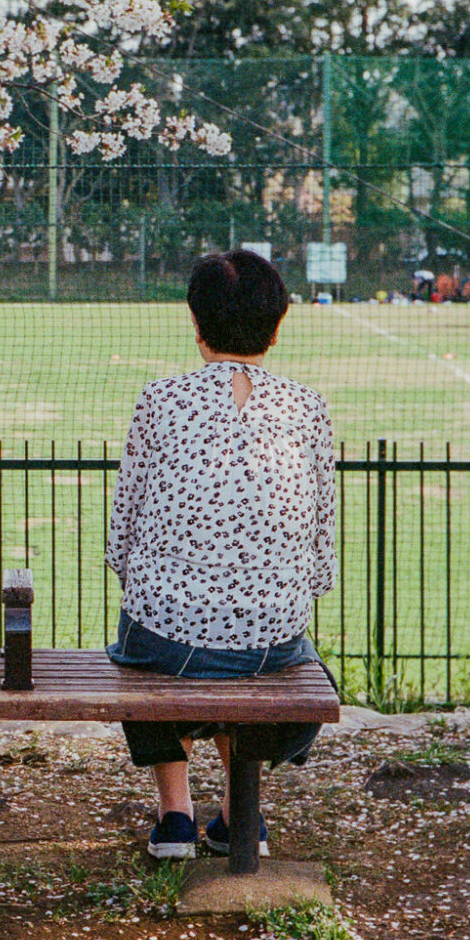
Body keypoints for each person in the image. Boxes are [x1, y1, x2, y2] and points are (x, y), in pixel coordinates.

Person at [106, 249, 335, 861]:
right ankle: (241, 815)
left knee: (146, 635)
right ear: (277, 325)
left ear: (196, 323)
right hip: (268, 642)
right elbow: (320, 561)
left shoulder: (160, 400)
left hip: (164, 641)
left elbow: (120, 540)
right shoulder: (309, 409)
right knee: (256, 651)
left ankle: (174, 814)